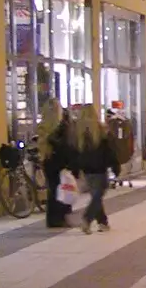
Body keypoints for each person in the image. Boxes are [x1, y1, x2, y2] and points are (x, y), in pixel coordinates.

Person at [72, 107, 120, 233]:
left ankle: (103, 222)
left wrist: (76, 169)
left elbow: (75, 153)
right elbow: (109, 151)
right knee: (98, 196)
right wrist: (115, 166)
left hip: (87, 170)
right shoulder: (100, 130)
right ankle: (87, 219)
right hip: (100, 168)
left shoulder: (78, 132)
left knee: (96, 196)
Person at [39, 98, 75, 228]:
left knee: (52, 190)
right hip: (59, 161)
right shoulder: (60, 126)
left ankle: (52, 219)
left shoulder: (43, 126)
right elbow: (65, 145)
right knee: (60, 190)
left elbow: (42, 144)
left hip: (48, 161)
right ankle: (58, 218)